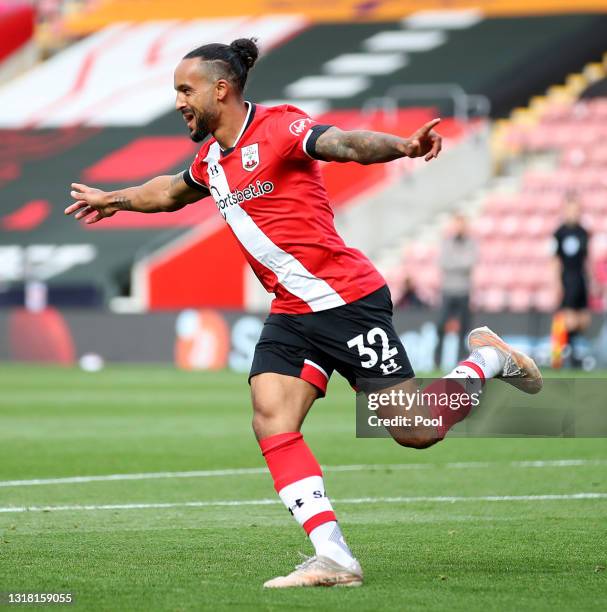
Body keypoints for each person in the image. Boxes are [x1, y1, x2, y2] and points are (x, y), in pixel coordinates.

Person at [65, 38, 542, 588]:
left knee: (417, 430)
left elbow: (344, 144)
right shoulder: (210, 160)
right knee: (271, 416)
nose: (178, 101)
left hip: (345, 300)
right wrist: (114, 199)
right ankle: (334, 556)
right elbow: (170, 192)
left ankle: (487, 361)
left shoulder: (278, 128)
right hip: (292, 311)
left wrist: (401, 148)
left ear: (221, 89)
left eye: (185, 89)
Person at [552, 197, 591, 367]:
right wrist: (555, 282)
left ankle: (574, 353)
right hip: (566, 278)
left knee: (582, 320)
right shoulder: (559, 233)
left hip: (580, 278)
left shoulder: (583, 232)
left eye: (576, 209)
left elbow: (587, 259)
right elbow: (553, 260)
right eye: (570, 209)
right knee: (566, 319)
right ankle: (558, 357)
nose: (573, 213)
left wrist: (590, 281)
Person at [435, 213, 476, 366]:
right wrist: (460, 262)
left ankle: (462, 361)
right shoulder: (446, 242)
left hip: (464, 291)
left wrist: (455, 262)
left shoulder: (471, 243)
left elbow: (470, 263)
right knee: (441, 326)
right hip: (448, 291)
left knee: (464, 330)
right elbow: (444, 262)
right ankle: (437, 361)